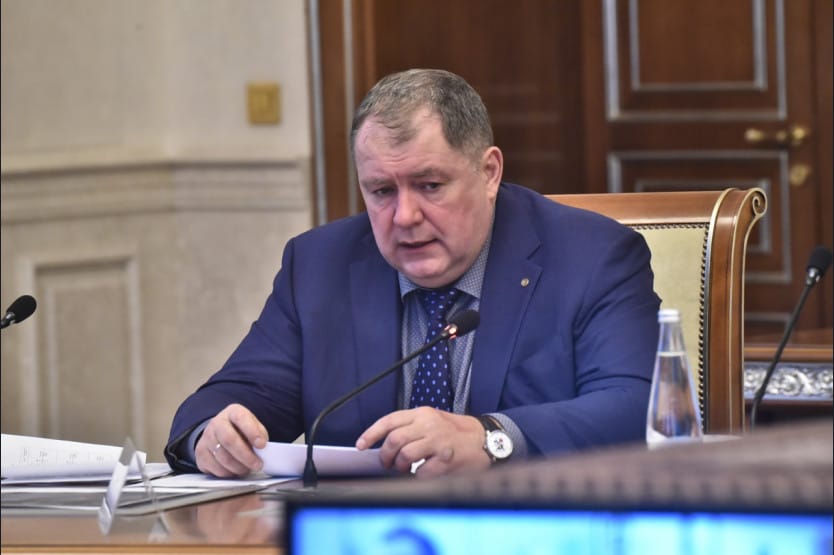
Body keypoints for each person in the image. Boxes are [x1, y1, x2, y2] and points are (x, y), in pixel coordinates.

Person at [165, 68, 660, 478]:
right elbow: (231, 398)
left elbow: (638, 407)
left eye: (429, 185)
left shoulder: (591, 256)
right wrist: (214, 435)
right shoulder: (319, 265)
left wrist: (489, 437)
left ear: (489, 173)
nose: (404, 216)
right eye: (382, 191)